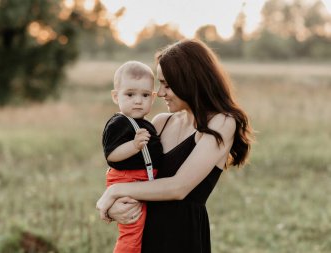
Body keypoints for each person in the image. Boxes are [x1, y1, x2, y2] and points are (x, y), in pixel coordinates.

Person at [97, 39, 254, 253]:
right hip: (144, 237)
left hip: (182, 239)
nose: (160, 93)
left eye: (167, 85)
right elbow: (131, 172)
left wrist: (114, 191)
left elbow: (179, 187)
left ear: (190, 82)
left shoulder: (222, 122)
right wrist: (113, 206)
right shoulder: (161, 123)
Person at [102, 61, 163, 253]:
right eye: (130, 94)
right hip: (128, 178)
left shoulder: (145, 123)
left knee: (146, 229)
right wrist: (134, 146)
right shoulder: (119, 123)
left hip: (141, 179)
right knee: (132, 228)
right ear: (115, 96)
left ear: (153, 98)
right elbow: (111, 154)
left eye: (145, 95)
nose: (138, 101)